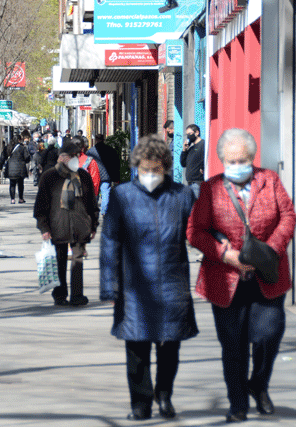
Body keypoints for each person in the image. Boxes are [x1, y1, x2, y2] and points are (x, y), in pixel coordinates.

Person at [186, 128, 295, 423]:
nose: (238, 165)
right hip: (225, 279)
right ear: (222, 160)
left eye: (243, 159)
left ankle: (259, 385)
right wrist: (226, 254)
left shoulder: (269, 180)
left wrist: (268, 251)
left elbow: (288, 216)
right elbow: (195, 231)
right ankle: (237, 402)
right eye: (231, 160)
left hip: (267, 276)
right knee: (233, 346)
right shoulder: (210, 189)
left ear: (252, 157)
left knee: (268, 335)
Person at [100, 135, 198, 421]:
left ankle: (164, 394)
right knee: (137, 349)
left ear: (165, 167)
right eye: (145, 169)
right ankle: (140, 403)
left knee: (170, 348)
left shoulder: (181, 196)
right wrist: (110, 287)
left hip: (172, 284)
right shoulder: (122, 196)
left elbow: (198, 232)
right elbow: (110, 243)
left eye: (156, 169)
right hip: (134, 288)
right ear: (136, 167)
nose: (151, 175)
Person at [34, 143, 99, 306]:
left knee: (78, 261)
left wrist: (93, 225)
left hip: (80, 225)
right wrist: (44, 227)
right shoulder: (49, 176)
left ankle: (77, 296)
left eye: (76, 156)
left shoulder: (83, 176)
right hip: (58, 226)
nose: (76, 159)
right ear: (62, 158)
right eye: (72, 156)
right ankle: (60, 295)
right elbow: (41, 205)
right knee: (59, 261)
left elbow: (92, 203)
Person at [86, 133, 120, 216]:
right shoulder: (110, 150)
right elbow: (115, 164)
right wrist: (116, 178)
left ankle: (94, 210)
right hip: (106, 176)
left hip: (94, 177)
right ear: (103, 139)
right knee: (106, 194)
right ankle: (104, 211)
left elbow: (86, 165)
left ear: (95, 140)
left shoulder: (90, 152)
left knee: (95, 194)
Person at [0, 131, 31, 204]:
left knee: (12, 184)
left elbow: (2, 157)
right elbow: (27, 158)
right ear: (19, 140)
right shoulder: (22, 148)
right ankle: (20, 198)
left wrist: (0, 167)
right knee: (20, 184)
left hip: (10, 169)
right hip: (20, 169)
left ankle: (12, 199)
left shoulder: (8, 147)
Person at [180, 124, 205, 198]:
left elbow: (206, 158)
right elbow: (183, 163)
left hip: (198, 182)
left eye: (190, 134)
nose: (188, 136)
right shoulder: (191, 148)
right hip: (189, 183)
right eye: (187, 134)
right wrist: (184, 150)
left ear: (197, 133)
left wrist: (203, 167)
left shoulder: (203, 144)